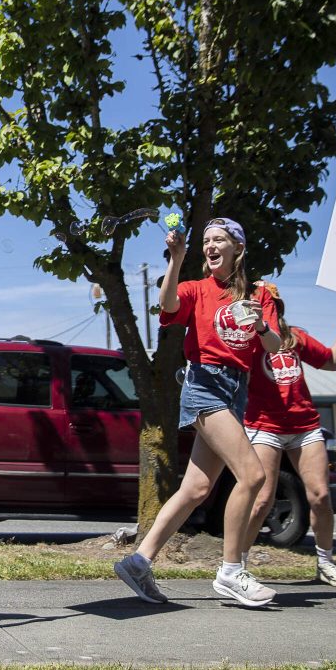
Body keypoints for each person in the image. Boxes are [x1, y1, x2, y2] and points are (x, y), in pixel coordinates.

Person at [114, 217, 283, 607]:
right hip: (205, 384)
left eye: (219, 239)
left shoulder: (260, 294)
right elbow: (167, 305)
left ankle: (139, 561)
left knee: (197, 488)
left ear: (237, 248)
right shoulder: (196, 288)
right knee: (253, 475)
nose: (211, 245)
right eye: (206, 240)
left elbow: (274, 346)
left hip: (235, 388)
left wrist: (259, 323)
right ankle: (230, 571)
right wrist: (176, 258)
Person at [241, 283, 336, 588]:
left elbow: (333, 361)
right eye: (260, 304)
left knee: (321, 496)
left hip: (304, 426)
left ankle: (326, 562)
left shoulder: (295, 337)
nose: (268, 309)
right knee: (261, 501)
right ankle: (236, 566)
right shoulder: (247, 340)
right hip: (264, 426)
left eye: (272, 304)